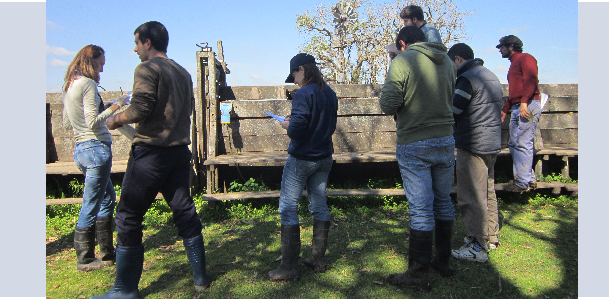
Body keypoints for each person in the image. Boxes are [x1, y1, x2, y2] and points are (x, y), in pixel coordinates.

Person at [92, 21, 210, 299]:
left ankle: (124, 289)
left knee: (129, 217)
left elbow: (141, 106)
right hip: (179, 153)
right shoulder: (182, 72)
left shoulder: (147, 69)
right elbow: (188, 110)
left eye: (136, 43)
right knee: (185, 211)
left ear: (148, 42)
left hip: (151, 154)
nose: (134, 49)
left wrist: (114, 119)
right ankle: (201, 277)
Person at [379, 26, 456, 291]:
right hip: (446, 139)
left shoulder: (404, 60)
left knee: (421, 209)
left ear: (402, 43)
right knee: (443, 201)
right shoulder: (447, 61)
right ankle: (443, 261)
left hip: (415, 141)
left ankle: (418, 273)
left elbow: (388, 103)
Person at [266, 53, 338, 281]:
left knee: (288, 207)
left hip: (302, 159)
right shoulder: (330, 93)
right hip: (324, 157)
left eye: (295, 75)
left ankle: (288, 267)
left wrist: (286, 124)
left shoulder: (303, 94)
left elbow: (296, 131)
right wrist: (295, 119)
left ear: (303, 70)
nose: (294, 81)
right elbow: (328, 124)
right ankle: (317, 260)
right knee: (319, 206)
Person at [62, 45, 129, 271]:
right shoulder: (88, 84)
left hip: (81, 149)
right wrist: (118, 105)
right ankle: (85, 259)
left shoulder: (70, 85)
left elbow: (67, 122)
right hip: (95, 149)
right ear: (91, 62)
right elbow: (93, 121)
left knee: (107, 198)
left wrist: (109, 106)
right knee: (91, 203)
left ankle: (106, 251)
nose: (101, 70)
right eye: (100, 64)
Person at [447, 43, 503, 263]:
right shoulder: (491, 76)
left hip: (472, 143)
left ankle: (477, 245)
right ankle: (490, 237)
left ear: (458, 59)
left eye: (451, 63)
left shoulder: (466, 79)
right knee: (488, 192)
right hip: (491, 143)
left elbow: (454, 110)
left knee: (471, 195)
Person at [496, 35, 541, 192]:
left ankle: (522, 183)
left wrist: (523, 102)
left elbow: (531, 80)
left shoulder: (526, 58)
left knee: (523, 142)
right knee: (514, 144)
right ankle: (529, 179)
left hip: (528, 104)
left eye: (501, 47)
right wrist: (504, 109)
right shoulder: (513, 64)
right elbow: (514, 91)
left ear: (511, 47)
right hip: (517, 106)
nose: (500, 50)